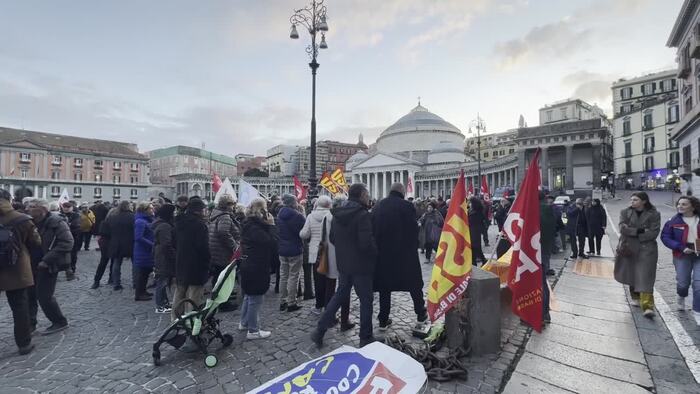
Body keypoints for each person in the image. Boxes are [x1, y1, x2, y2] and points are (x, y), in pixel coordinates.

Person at [311, 183, 378, 348]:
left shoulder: (337, 214)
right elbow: (365, 243)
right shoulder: (363, 215)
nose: (369, 197)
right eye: (367, 194)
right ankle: (365, 337)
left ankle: (320, 330)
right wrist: (375, 251)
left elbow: (333, 238)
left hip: (344, 264)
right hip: (361, 265)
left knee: (339, 296)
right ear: (362, 195)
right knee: (366, 300)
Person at [372, 183, 428, 331]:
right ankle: (420, 314)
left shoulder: (378, 206)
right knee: (414, 285)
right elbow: (412, 229)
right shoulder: (407, 206)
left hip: (383, 255)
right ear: (402, 192)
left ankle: (383, 319)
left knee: (385, 288)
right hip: (405, 254)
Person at [0, 189, 41, 355]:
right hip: (16, 269)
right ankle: (24, 344)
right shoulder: (22, 219)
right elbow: (36, 242)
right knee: (20, 307)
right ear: (8, 200)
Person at [26, 198, 72, 335]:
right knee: (29, 295)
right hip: (30, 263)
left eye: (32, 206)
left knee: (44, 296)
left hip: (48, 264)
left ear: (43, 209)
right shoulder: (29, 222)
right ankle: (30, 324)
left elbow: (67, 242)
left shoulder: (57, 222)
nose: (28, 208)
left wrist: (47, 260)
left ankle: (59, 321)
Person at [615, 192, 660, 318]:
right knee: (632, 273)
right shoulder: (625, 212)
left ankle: (647, 306)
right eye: (631, 200)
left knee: (645, 276)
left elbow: (653, 233)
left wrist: (632, 232)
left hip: (647, 249)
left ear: (644, 201)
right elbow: (622, 229)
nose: (632, 202)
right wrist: (639, 231)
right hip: (629, 248)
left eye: (635, 200)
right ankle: (635, 296)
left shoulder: (654, 214)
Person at [239, 197, 279, 340]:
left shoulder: (248, 224)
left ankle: (244, 322)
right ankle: (253, 330)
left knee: (249, 296)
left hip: (249, 264)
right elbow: (272, 243)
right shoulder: (255, 228)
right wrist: (272, 225)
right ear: (261, 211)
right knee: (255, 298)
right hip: (256, 265)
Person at [660, 196, 700, 325]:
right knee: (683, 283)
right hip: (682, 253)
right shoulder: (673, 221)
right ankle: (681, 296)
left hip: (699, 254)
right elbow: (665, 237)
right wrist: (680, 247)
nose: (680, 206)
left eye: (684, 204)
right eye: (679, 204)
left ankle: (697, 311)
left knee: (698, 285)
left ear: (693, 206)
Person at [172, 198, 210, 321]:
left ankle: (175, 319)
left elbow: (173, 242)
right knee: (194, 294)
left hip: (181, 260)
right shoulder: (199, 225)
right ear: (198, 211)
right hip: (196, 263)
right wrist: (208, 262)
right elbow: (203, 247)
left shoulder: (178, 222)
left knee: (180, 291)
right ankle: (191, 320)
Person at [208, 194, 241, 312]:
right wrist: (234, 246)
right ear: (227, 205)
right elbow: (223, 232)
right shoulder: (225, 216)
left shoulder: (216, 214)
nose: (233, 207)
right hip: (223, 251)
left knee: (218, 276)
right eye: (232, 204)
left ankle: (218, 299)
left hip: (217, 250)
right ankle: (222, 303)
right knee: (223, 278)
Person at [276, 194, 306, 312]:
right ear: (293, 202)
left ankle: (282, 301)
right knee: (294, 276)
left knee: (284, 276)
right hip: (294, 248)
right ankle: (291, 302)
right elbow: (303, 231)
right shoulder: (297, 216)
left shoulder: (279, 214)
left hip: (282, 249)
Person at [101, 201, 135, 291]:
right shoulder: (133, 217)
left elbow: (106, 231)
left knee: (116, 263)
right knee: (134, 264)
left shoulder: (112, 217)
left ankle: (116, 283)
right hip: (130, 242)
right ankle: (136, 283)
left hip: (116, 242)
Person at [152, 204, 176, 314]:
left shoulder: (161, 224)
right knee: (162, 280)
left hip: (161, 254)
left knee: (163, 280)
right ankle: (160, 305)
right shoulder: (165, 226)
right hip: (163, 256)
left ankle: (164, 302)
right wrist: (174, 255)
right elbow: (166, 244)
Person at [133, 202, 155, 301]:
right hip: (143, 251)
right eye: (150, 208)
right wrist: (152, 244)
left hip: (146, 250)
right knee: (142, 273)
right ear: (145, 210)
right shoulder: (140, 221)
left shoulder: (146, 220)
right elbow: (138, 237)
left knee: (145, 273)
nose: (152, 210)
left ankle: (143, 291)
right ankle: (139, 294)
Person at [539, 192, 556, 323]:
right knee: (542, 281)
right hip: (545, 248)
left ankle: (541, 313)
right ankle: (545, 313)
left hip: (536, 250)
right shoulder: (550, 209)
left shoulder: (537, 211)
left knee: (538, 282)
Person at [59, 201, 81, 280]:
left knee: (73, 254)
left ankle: (72, 269)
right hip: (62, 237)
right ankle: (65, 269)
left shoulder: (76, 215)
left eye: (68, 207)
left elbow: (76, 225)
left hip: (74, 237)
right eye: (64, 207)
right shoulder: (60, 214)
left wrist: (67, 224)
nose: (66, 209)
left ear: (71, 208)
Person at [469, 197, 487, 265]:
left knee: (475, 247)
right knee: (474, 248)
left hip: (474, 231)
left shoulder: (476, 212)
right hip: (473, 230)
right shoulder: (473, 211)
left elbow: (472, 221)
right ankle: (476, 262)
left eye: (470, 203)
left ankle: (482, 260)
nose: (469, 204)